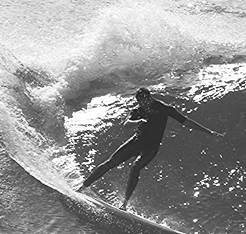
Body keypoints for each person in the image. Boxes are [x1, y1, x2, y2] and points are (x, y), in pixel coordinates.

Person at [77, 87, 224, 210]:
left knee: (135, 167)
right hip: (135, 142)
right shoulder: (137, 111)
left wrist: (209, 132)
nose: (144, 104)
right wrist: (137, 121)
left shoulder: (165, 109)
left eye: (146, 100)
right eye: (141, 102)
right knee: (110, 163)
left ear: (150, 97)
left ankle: (124, 204)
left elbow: (185, 121)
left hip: (151, 148)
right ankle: (82, 187)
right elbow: (125, 124)